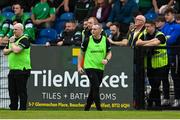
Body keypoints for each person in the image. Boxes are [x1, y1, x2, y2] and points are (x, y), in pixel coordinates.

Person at [77, 23, 112, 111]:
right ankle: (99, 108)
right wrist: (79, 66)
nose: (92, 30)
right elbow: (81, 53)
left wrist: (106, 60)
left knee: (93, 88)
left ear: (100, 30)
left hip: (100, 67)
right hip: (89, 66)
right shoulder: (87, 40)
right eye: (92, 29)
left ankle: (87, 107)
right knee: (96, 86)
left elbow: (109, 53)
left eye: (95, 29)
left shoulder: (105, 40)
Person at [136, 20, 169, 108]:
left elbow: (156, 43)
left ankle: (152, 104)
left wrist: (146, 43)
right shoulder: (143, 34)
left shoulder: (160, 35)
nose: (146, 28)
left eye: (148, 26)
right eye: (145, 26)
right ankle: (155, 105)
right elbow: (137, 42)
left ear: (153, 26)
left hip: (161, 64)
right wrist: (150, 41)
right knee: (153, 85)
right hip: (149, 64)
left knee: (156, 84)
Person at [3, 23, 31, 110]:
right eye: (13, 29)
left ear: (21, 30)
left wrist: (12, 44)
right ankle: (13, 108)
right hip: (13, 69)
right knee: (12, 91)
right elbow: (4, 52)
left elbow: (16, 51)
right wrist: (11, 47)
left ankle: (22, 108)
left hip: (22, 69)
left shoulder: (24, 39)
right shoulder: (12, 39)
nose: (13, 31)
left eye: (16, 29)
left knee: (21, 90)